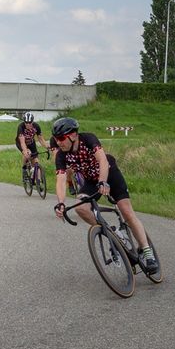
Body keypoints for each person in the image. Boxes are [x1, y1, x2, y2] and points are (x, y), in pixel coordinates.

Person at [51, 116, 158, 273]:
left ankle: (148, 254)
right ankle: (112, 234)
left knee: (126, 212)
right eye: (56, 139)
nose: (59, 142)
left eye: (61, 138)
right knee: (81, 208)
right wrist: (60, 202)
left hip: (110, 174)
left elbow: (102, 160)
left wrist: (103, 181)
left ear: (73, 135)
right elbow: (60, 179)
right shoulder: (62, 155)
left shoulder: (88, 139)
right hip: (90, 181)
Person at [15, 112, 46, 178]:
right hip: (21, 143)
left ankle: (39, 182)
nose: (28, 124)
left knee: (36, 161)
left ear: (32, 122)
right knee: (27, 154)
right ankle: (24, 168)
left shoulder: (36, 126)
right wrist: (25, 151)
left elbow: (40, 139)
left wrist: (48, 147)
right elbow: (22, 142)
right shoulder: (21, 126)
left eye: (30, 123)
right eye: (26, 122)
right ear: (24, 122)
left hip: (31, 143)